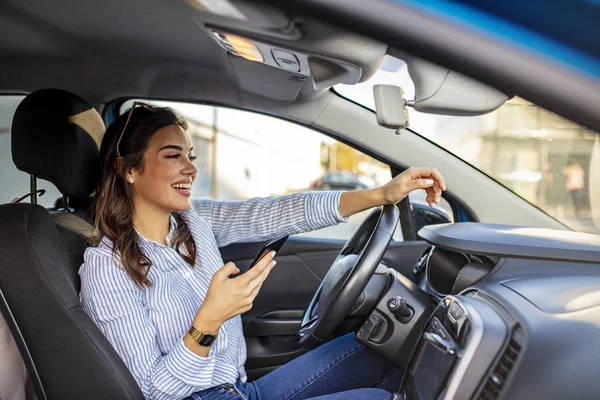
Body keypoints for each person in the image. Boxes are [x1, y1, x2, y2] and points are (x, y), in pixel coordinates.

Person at [79, 103, 446, 400]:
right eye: (173, 156)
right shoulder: (106, 267)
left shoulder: (193, 221)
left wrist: (380, 194)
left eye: (190, 155)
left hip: (241, 390)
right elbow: (151, 391)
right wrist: (209, 320)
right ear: (128, 169)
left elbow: (276, 213)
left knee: (381, 351)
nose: (191, 168)